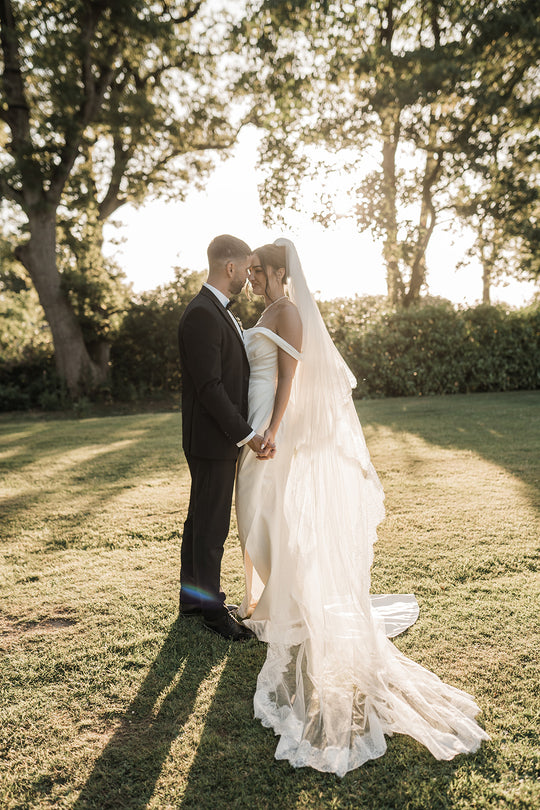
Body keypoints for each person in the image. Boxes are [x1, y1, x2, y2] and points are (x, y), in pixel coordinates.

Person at [235, 238, 489, 775]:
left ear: (281, 270)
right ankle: (281, 597)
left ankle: (292, 600)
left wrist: (274, 429)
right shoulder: (266, 309)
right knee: (255, 517)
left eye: (259, 269)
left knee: (262, 514)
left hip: (269, 432)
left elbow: (289, 379)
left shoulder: (291, 313)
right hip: (252, 425)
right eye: (251, 269)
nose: (252, 276)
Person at [177, 234, 274, 642]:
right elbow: (210, 388)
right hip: (213, 438)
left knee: (201, 518)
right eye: (245, 268)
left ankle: (192, 599)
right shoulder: (202, 313)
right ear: (229, 267)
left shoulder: (215, 310)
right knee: (211, 525)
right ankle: (214, 612)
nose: (247, 277)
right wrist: (247, 433)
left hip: (213, 437)